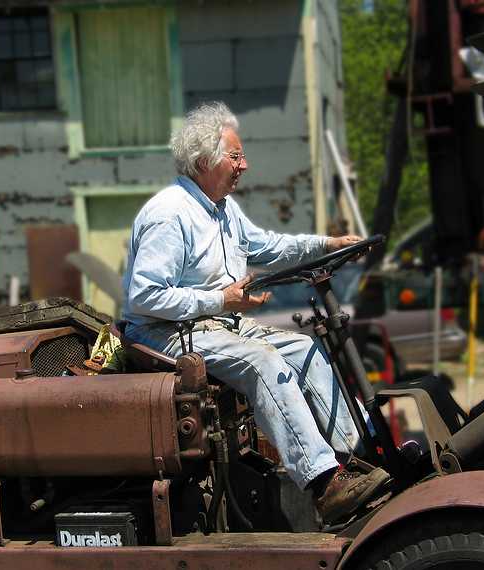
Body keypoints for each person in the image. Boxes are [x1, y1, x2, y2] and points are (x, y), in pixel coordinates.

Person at [121, 101, 389, 522]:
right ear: (206, 159)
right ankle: (324, 486)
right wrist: (221, 301)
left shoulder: (223, 210)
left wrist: (326, 245)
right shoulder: (169, 215)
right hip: (165, 332)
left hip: (215, 324)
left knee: (303, 348)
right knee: (261, 361)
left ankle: (362, 459)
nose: (244, 165)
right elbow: (146, 297)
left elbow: (266, 246)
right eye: (236, 156)